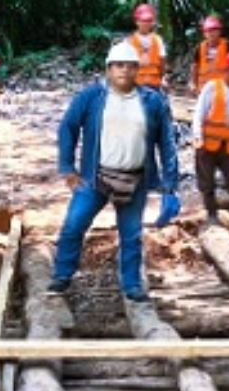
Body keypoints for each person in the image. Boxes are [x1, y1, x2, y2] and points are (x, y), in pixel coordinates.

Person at [50, 41, 181, 302]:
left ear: (137, 70)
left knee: (131, 234)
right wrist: (67, 168)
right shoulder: (91, 98)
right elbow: (68, 128)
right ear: (108, 69)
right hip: (94, 177)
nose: (124, 71)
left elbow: (166, 142)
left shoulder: (152, 101)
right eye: (118, 65)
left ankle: (131, 284)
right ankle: (62, 275)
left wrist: (170, 184)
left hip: (135, 179)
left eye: (130, 66)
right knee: (74, 225)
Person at [190, 50, 229, 224]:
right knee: (207, 183)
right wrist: (197, 136)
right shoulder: (212, 87)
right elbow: (199, 112)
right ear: (228, 70)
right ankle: (211, 215)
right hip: (207, 144)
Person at [129, 3, 168, 93]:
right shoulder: (130, 42)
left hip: (154, 84)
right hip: (136, 84)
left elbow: (163, 62)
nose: (146, 24)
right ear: (137, 21)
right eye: (143, 21)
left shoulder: (158, 40)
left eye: (149, 21)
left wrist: (163, 78)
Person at [192, 15, 229, 92]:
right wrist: (193, 83)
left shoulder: (228, 46)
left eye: (214, 30)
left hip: (223, 88)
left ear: (219, 32)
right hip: (204, 88)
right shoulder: (199, 48)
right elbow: (195, 67)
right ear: (204, 33)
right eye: (208, 31)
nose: (211, 33)